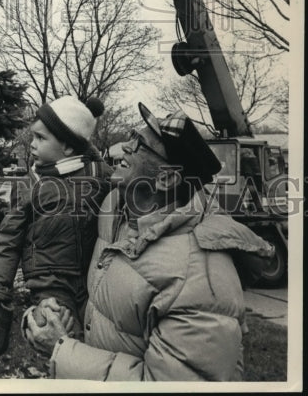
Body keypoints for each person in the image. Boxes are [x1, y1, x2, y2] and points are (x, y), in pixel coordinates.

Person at [23, 103, 276, 381]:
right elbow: (109, 303)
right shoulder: (114, 211)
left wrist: (62, 350)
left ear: (166, 179)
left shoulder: (197, 280)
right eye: (132, 135)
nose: (125, 147)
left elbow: (171, 386)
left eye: (139, 144)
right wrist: (58, 307)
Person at [0, 95, 111, 354]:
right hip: (50, 286)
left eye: (41, 138)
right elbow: (7, 239)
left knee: (97, 346)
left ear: (68, 147)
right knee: (58, 336)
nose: (31, 145)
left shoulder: (100, 177)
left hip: (93, 283)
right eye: (33, 137)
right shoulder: (33, 185)